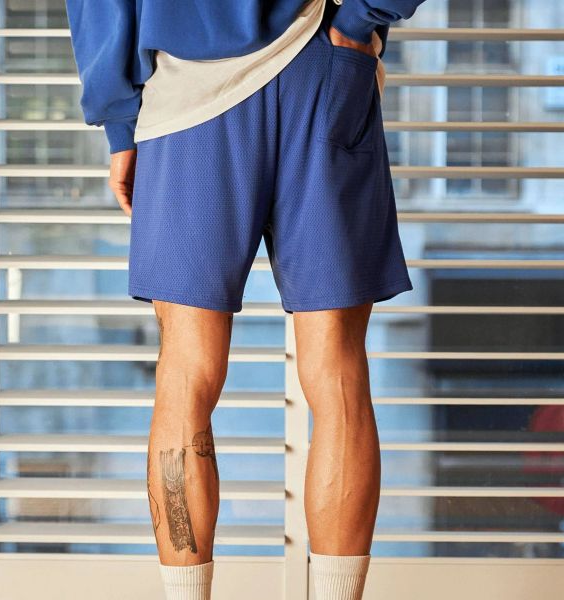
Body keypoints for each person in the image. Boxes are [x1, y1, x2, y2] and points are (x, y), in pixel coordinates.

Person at [65, 0, 427, 598]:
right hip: (320, 64)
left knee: (187, 372)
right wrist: (360, 19)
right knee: (336, 369)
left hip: (190, 94)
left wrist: (120, 122)